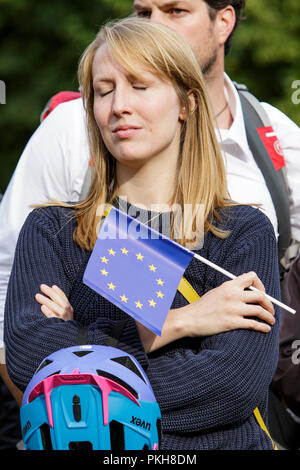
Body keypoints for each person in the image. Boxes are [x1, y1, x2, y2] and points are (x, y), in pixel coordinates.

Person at [0, 0, 299, 446]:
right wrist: (180, 323)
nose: (120, 105)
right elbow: (28, 364)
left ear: (186, 104)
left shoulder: (242, 230)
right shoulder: (50, 230)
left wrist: (80, 342)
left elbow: (235, 387)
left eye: (140, 86)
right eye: (104, 90)